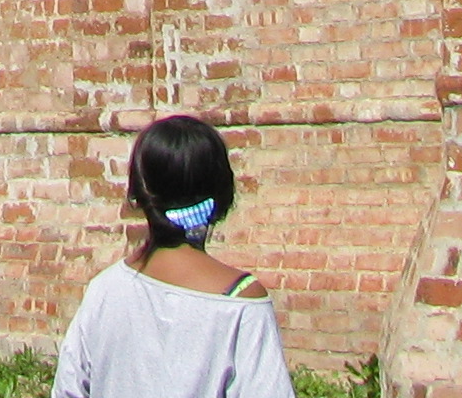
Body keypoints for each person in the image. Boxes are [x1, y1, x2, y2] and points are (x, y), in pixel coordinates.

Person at [49, 114, 292, 398]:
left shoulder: (104, 290)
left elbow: (68, 389)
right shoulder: (240, 302)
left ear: (138, 194)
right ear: (223, 195)